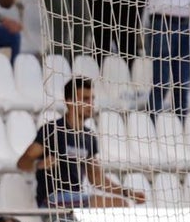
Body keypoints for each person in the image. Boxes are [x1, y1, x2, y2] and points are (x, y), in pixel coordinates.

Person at [17, 76, 145, 209]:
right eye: (85, 99)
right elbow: (22, 163)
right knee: (117, 204)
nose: (91, 104)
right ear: (70, 101)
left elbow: (96, 178)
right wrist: (38, 165)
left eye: (92, 99)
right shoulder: (52, 130)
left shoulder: (88, 136)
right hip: (52, 200)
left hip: (76, 200)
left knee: (120, 204)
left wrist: (127, 192)